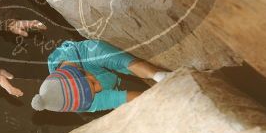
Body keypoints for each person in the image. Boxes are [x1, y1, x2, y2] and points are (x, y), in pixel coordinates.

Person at [31, 39, 169, 113]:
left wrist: (160, 76)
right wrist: (161, 102)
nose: (98, 89)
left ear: (80, 70)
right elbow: (118, 99)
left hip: (112, 68)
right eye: (92, 93)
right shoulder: (80, 101)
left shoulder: (91, 50)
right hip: (115, 83)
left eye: (92, 83)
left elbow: (122, 61)